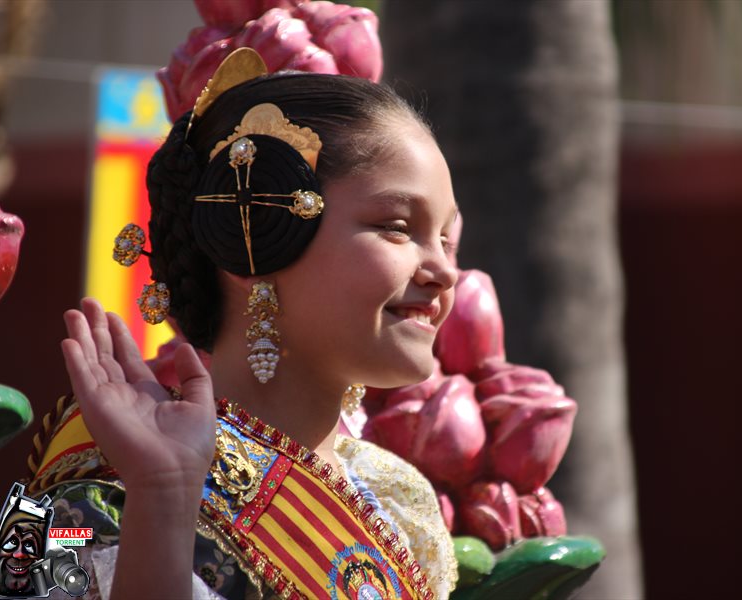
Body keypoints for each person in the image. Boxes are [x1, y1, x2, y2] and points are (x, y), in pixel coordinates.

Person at [27, 49, 458, 599]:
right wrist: (163, 493)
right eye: (398, 227)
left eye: (445, 237)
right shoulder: (103, 485)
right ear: (253, 236)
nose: (444, 269)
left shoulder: (395, 495)